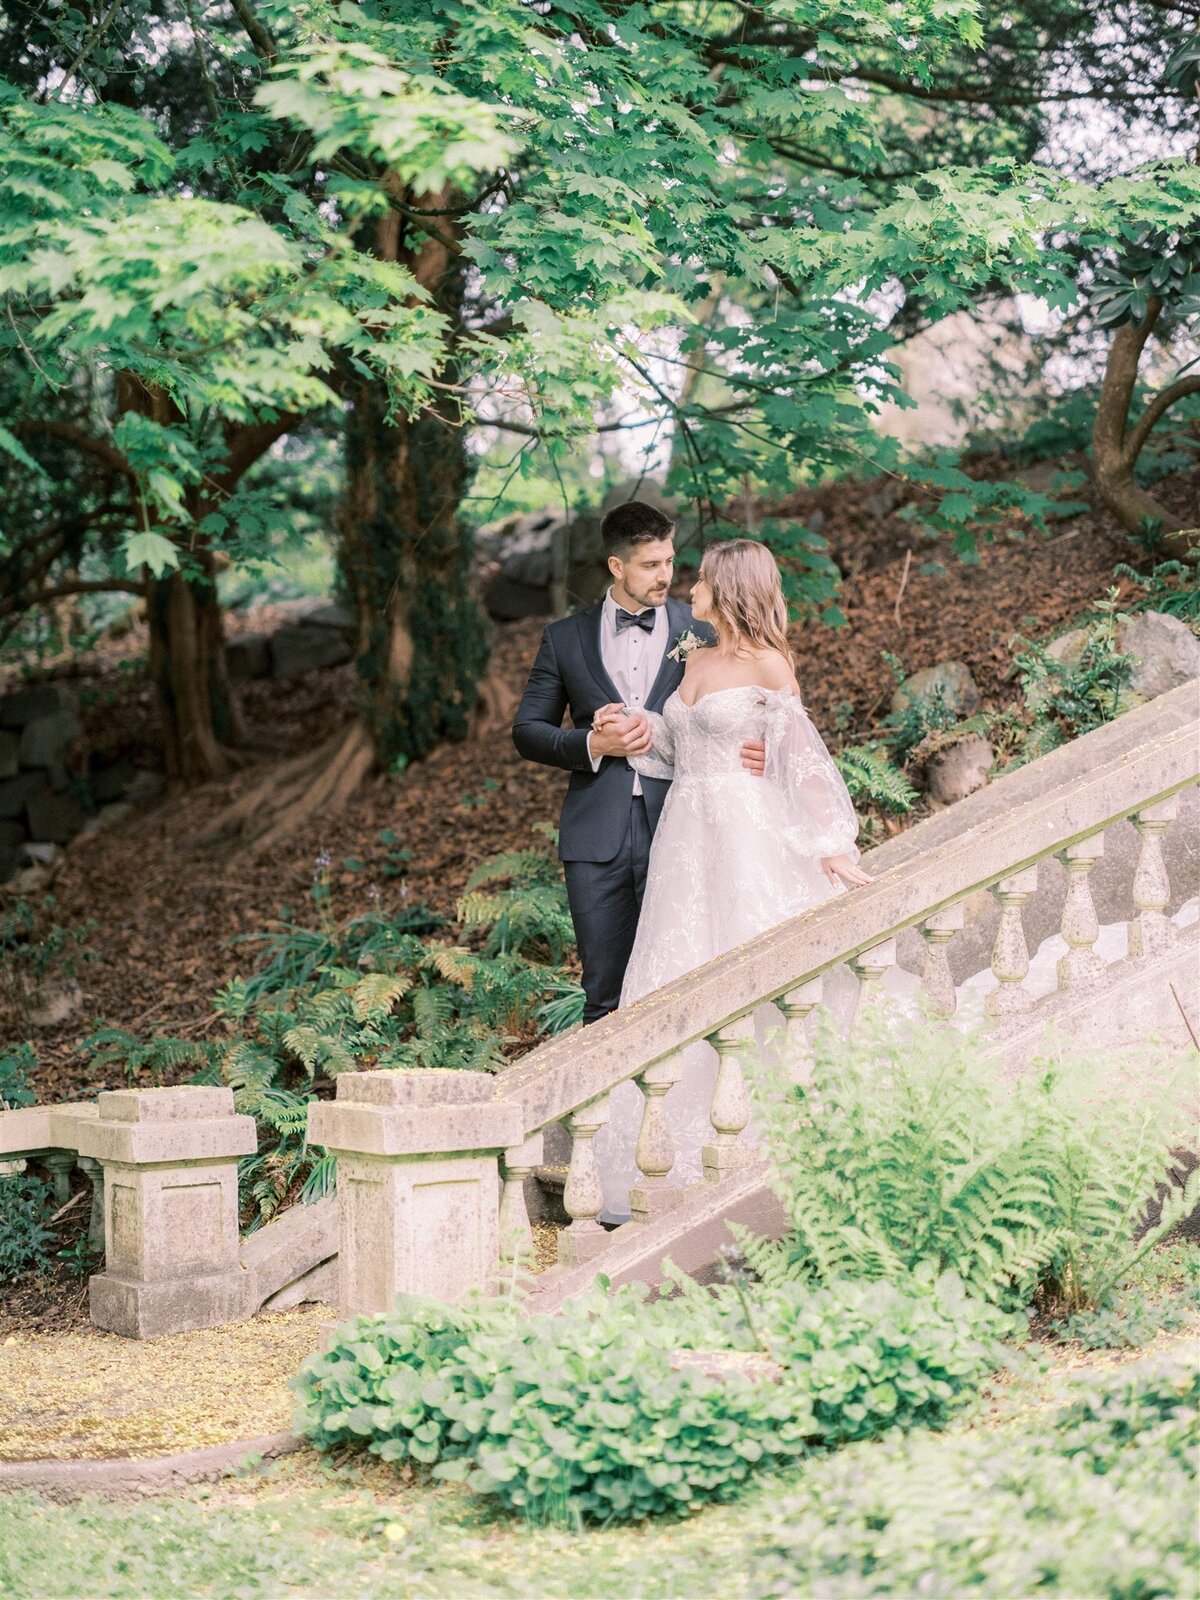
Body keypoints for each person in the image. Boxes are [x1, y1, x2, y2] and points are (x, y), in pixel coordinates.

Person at [589, 537, 871, 1215]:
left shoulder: (770, 664)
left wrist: (831, 846)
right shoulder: (699, 657)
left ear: (731, 587)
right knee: (678, 963)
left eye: (703, 580)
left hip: (745, 831)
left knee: (750, 965)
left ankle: (768, 1137)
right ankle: (662, 1153)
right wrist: (633, 724)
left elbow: (799, 755)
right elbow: (676, 748)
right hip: (687, 836)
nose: (690, 588)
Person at [512, 501, 766, 1023]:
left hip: (686, 821)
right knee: (604, 989)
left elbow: (757, 703)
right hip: (595, 832)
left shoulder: (702, 627)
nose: (665, 576)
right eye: (651, 565)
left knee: (687, 971)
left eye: (670, 561)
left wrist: (765, 750)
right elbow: (527, 732)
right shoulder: (565, 638)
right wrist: (592, 745)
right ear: (616, 566)